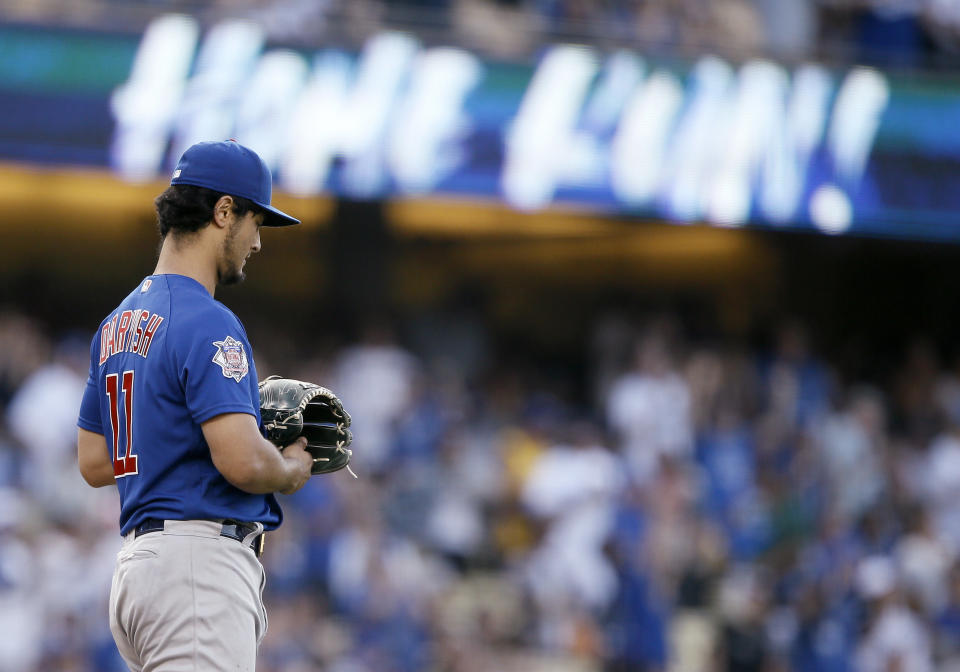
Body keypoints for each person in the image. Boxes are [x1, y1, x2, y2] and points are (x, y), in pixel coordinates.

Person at [76, 139, 315, 671]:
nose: (256, 242)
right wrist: (291, 467)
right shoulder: (208, 319)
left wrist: (178, 437)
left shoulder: (117, 323)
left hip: (140, 574)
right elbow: (245, 462)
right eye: (256, 221)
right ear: (223, 211)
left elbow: (94, 463)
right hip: (195, 570)